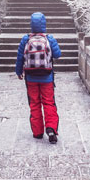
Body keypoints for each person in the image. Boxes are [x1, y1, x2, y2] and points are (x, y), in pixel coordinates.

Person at [15, 12, 62, 143]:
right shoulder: (49, 38)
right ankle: (51, 128)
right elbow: (58, 55)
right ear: (44, 24)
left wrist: (18, 71)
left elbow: (20, 57)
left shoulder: (25, 39)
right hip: (47, 77)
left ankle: (37, 132)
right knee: (49, 102)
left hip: (31, 77)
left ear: (31, 24)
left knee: (34, 104)